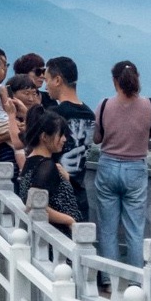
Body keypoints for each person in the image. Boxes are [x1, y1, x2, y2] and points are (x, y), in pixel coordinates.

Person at [93, 60, 151, 268]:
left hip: (107, 167)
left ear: (115, 81)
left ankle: (109, 278)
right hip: (135, 169)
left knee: (107, 229)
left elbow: (96, 138)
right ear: (137, 79)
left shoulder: (104, 105)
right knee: (135, 230)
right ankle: (135, 281)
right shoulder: (149, 105)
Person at [45, 57, 95, 223]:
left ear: (57, 80)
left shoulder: (55, 116)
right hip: (79, 195)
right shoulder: (89, 114)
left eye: (47, 80)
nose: (46, 86)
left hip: (56, 197)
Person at [18, 110, 83, 232]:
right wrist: (69, 220)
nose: (64, 139)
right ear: (44, 137)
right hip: (55, 234)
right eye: (61, 134)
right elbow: (35, 205)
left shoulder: (31, 161)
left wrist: (67, 178)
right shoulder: (47, 166)